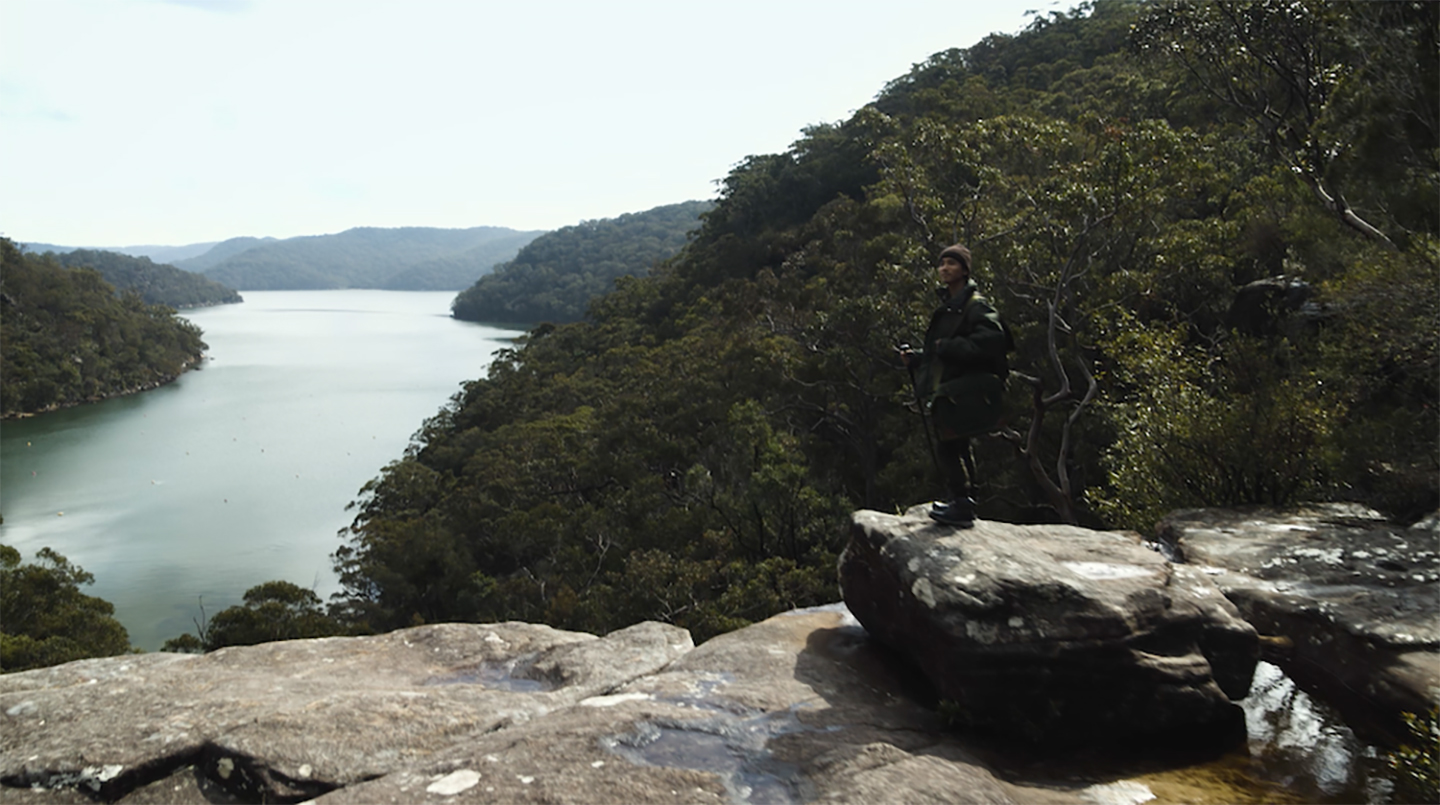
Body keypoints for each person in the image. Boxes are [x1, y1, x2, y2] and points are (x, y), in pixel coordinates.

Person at [899, 243, 1010, 527]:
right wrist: (918, 359)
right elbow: (943, 350)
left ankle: (961, 502)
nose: (945, 268)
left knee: (948, 446)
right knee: (957, 444)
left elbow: (993, 339)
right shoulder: (953, 304)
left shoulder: (975, 305)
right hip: (953, 387)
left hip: (964, 389)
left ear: (964, 269)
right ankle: (962, 500)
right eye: (942, 263)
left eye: (951, 263)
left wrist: (948, 347)